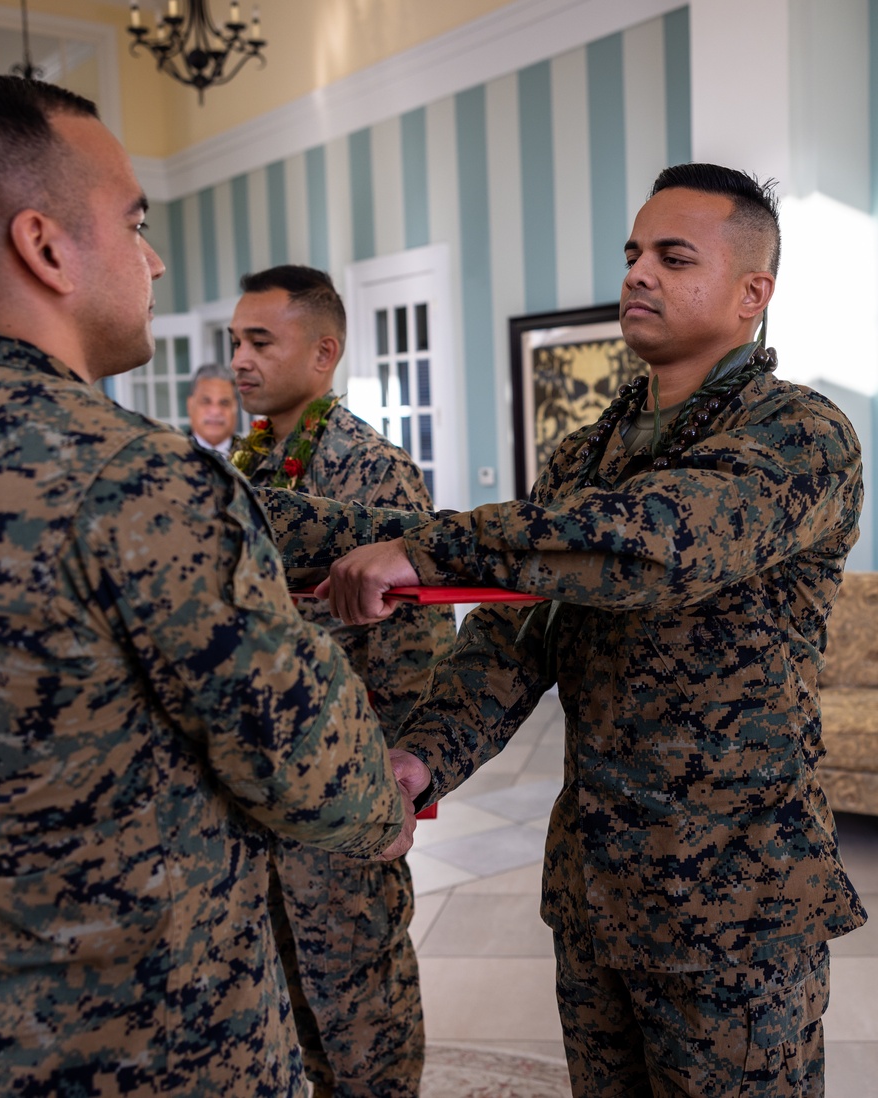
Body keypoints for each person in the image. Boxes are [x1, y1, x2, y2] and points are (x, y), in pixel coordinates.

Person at [266, 164, 868, 1097]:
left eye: (674, 257)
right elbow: (522, 641)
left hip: (734, 905)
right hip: (598, 888)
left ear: (754, 293)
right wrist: (422, 757)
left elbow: (659, 546)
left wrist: (426, 549)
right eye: (633, 253)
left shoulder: (802, 435)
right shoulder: (586, 454)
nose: (638, 274)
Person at [0, 74, 416, 1097]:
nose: (154, 258)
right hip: (154, 1042)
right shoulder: (136, 479)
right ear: (44, 247)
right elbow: (298, 749)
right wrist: (376, 810)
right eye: (132, 222)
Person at [229, 265, 456, 1098]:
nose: (240, 362)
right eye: (234, 343)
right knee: (284, 998)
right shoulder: (246, 465)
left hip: (339, 785)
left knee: (359, 1002)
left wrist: (390, 777)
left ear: (323, 352)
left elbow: (417, 635)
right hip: (262, 785)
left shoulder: (369, 468)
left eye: (261, 341)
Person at [187, 363, 239, 454]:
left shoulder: (256, 458)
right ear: (190, 405)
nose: (215, 411)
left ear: (235, 407)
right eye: (206, 402)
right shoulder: (169, 455)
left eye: (224, 403)